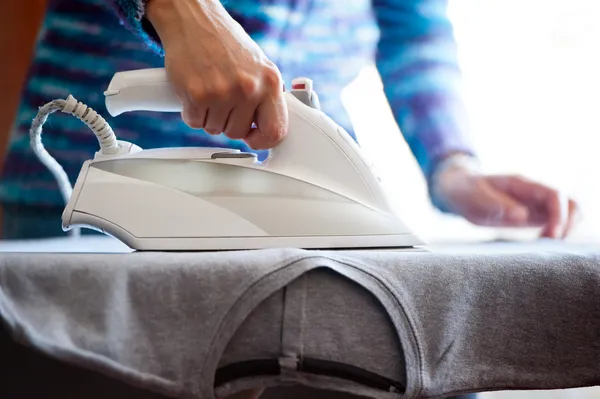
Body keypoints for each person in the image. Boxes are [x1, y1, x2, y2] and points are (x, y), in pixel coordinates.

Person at [0, 0, 579, 396]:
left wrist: (454, 166)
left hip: (296, 147)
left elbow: (414, 28)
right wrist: (182, 12)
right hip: (80, 179)